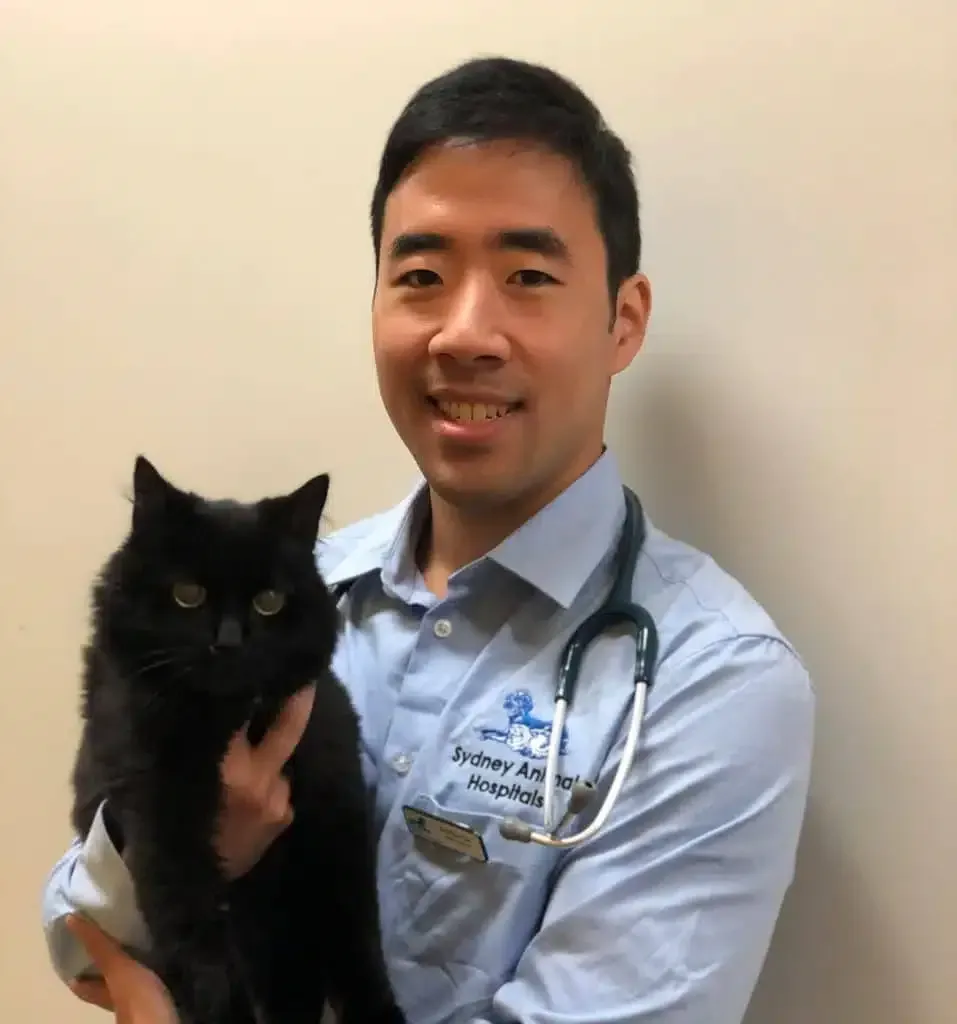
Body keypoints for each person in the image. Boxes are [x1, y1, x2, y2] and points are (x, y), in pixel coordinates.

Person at [41, 55, 815, 1024]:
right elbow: (75, 929)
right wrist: (201, 859)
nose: (465, 331)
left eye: (528, 275)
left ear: (623, 321)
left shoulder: (715, 684)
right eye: (421, 276)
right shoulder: (297, 590)